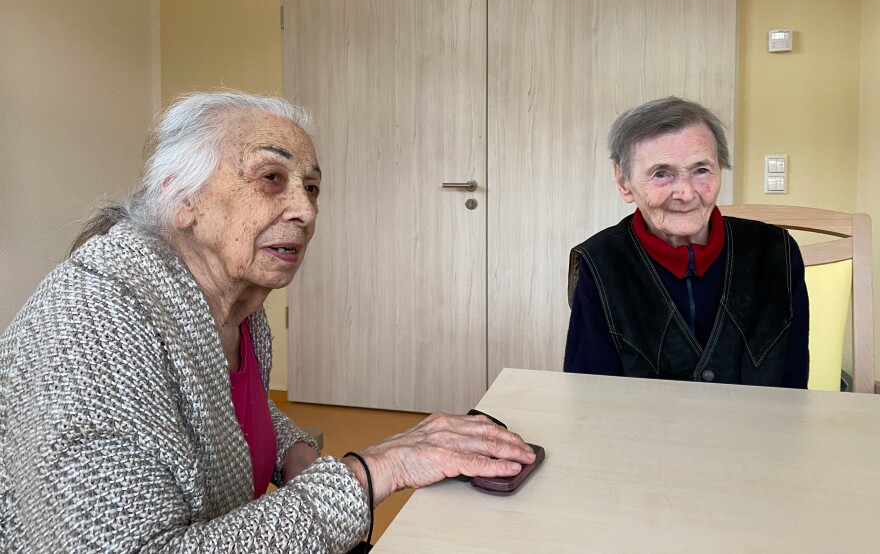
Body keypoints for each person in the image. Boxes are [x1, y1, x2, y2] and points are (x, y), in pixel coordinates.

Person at [0, 91, 536, 553]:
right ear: (180, 198)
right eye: (271, 178)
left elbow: (226, 412)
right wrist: (373, 470)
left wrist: (292, 452)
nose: (304, 210)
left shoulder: (238, 313)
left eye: (312, 187)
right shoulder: (98, 327)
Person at [564, 96, 809, 387]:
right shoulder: (601, 263)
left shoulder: (777, 253)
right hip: (643, 433)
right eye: (661, 174)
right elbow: (590, 393)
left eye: (701, 170)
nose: (686, 192)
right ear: (623, 182)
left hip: (758, 431)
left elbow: (794, 386)